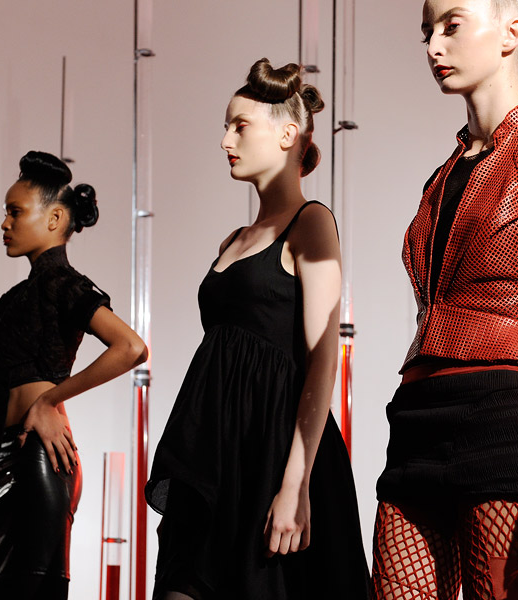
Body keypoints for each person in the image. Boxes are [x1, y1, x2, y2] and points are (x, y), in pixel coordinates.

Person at [372, 1, 518, 598]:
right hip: (414, 423)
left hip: (499, 425)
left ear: (511, 33)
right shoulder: (439, 178)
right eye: (427, 32)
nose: (433, 46)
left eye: (451, 26)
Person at [146, 58, 371, 600]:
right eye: (226, 126)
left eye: (240, 126)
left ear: (288, 135)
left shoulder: (311, 223)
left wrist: (295, 483)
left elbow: (322, 358)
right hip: (214, 449)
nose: (226, 139)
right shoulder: (233, 240)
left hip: (276, 450)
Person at [0, 151, 148, 600]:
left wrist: (48, 401)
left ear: (55, 218)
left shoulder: (64, 284)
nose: (4, 223)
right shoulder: (15, 297)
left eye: (15, 211)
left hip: (38, 459)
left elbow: (131, 348)